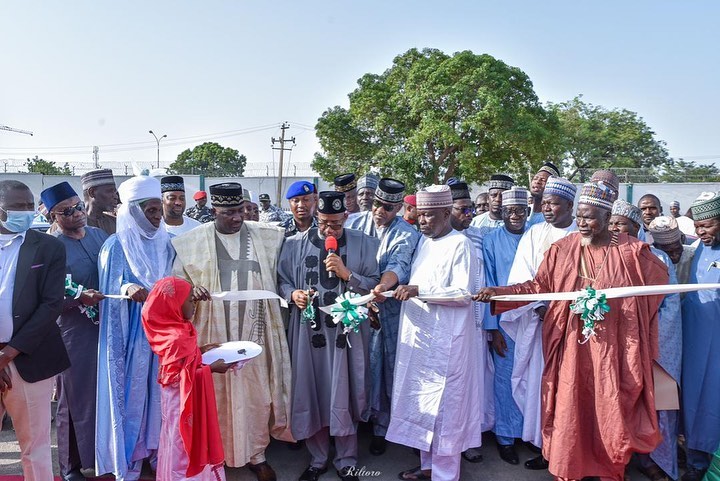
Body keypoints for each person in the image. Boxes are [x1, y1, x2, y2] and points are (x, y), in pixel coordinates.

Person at [475, 181, 669, 481]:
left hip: (612, 349)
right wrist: (499, 294)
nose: (582, 223)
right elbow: (537, 287)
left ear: (606, 219)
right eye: (579, 216)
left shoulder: (630, 252)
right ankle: (569, 468)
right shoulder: (562, 249)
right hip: (571, 346)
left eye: (590, 217)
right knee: (570, 402)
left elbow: (659, 281)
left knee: (609, 404)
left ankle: (609, 469)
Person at [172, 183, 292, 481]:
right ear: (214, 211)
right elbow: (176, 286)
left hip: (256, 329)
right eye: (229, 213)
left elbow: (284, 274)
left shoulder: (267, 237)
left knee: (255, 390)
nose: (237, 218)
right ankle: (216, 455)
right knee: (217, 393)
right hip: (213, 330)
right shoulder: (191, 243)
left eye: (240, 210)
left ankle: (256, 454)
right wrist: (190, 290)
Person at [278, 190, 380, 481]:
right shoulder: (294, 244)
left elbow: (374, 285)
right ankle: (318, 459)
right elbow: (283, 281)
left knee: (344, 393)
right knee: (312, 391)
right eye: (323, 223)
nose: (329, 230)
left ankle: (346, 460)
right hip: (309, 333)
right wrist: (293, 294)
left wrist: (348, 274)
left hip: (347, 335)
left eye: (335, 224)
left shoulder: (365, 243)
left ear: (346, 217)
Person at [389, 185, 482, 481]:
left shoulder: (460, 244)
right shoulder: (424, 242)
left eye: (430, 216)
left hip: (448, 342)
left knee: (446, 410)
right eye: (421, 216)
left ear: (446, 213)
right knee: (423, 404)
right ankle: (428, 466)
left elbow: (464, 292)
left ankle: (445, 474)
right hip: (421, 338)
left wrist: (420, 290)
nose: (423, 221)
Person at [96, 175, 175, 481]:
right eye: (150, 210)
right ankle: (128, 458)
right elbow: (109, 286)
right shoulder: (115, 244)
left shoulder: (166, 243)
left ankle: (158, 451)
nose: (156, 217)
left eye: (159, 210)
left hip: (162, 333)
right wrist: (127, 286)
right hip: (129, 335)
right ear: (133, 211)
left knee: (160, 394)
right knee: (130, 395)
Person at [503, 176, 578, 471]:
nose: (546, 208)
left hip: (572, 327)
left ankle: (568, 451)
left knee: (568, 388)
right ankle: (546, 448)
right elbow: (523, 277)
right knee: (538, 386)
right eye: (544, 202)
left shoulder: (581, 234)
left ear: (570, 205)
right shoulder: (534, 234)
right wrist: (539, 307)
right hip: (538, 324)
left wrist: (560, 309)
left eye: (554, 203)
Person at [0, 180, 70, 481]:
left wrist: (7, 354)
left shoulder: (49, 247)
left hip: (28, 358)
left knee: (36, 448)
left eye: (30, 206)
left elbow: (51, 305)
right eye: (19, 206)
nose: (27, 212)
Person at [609, 200, 682, 481]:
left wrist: (646, 338)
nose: (614, 228)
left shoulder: (657, 258)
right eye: (611, 223)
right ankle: (617, 458)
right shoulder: (601, 255)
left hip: (654, 345)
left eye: (621, 224)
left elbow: (670, 304)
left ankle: (655, 461)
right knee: (617, 401)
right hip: (617, 345)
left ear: (637, 228)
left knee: (658, 403)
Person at [141, 277, 239, 481]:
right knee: (184, 448)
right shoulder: (176, 338)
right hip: (182, 409)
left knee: (177, 444)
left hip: (179, 406)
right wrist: (210, 369)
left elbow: (183, 365)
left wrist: (200, 353)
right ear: (173, 304)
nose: (193, 305)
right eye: (189, 300)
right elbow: (175, 380)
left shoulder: (176, 330)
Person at [347, 178, 420, 455]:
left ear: (399, 208)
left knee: (382, 368)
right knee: (353, 366)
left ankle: (380, 427)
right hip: (352, 307)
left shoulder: (406, 233)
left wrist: (382, 286)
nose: (380, 211)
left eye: (388, 208)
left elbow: (397, 266)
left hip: (385, 311)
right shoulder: (355, 223)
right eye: (377, 204)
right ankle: (353, 421)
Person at [41, 182, 108, 481]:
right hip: (73, 330)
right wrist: (77, 298)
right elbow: (44, 295)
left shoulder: (100, 236)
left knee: (104, 395)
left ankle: (104, 455)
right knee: (73, 398)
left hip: (108, 326)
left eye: (78, 206)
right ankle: (70, 466)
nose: (76, 214)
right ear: (53, 216)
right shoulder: (49, 247)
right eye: (66, 211)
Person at [482, 187, 531, 466]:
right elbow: (489, 283)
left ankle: (528, 433)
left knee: (531, 376)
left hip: (531, 320)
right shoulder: (491, 241)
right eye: (509, 211)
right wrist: (494, 329)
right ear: (501, 213)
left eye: (520, 211)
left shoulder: (536, 238)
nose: (515, 216)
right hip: (503, 321)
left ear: (527, 212)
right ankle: (505, 437)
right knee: (504, 379)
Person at [448, 181, 494, 464]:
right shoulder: (431, 239)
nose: (469, 214)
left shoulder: (479, 236)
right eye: (463, 209)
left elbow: (488, 279)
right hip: (446, 326)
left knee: (474, 385)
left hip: (475, 325)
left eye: (471, 209)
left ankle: (470, 439)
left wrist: (489, 325)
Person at [680, 192, 720, 481]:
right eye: (698, 226)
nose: (700, 232)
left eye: (707, 225)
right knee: (693, 398)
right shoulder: (695, 250)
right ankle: (695, 462)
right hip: (693, 339)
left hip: (717, 342)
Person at [649, 216, 696, 285]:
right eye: (668, 252)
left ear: (682, 240)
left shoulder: (693, 255)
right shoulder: (649, 260)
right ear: (655, 247)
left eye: (678, 249)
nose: (675, 256)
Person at [470, 174, 514, 238]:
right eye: (494, 195)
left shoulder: (517, 225)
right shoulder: (474, 223)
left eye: (503, 196)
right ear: (488, 198)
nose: (497, 199)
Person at [81, 168, 118, 234]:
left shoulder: (116, 223)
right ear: (91, 192)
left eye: (115, 192)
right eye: (109, 191)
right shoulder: (76, 225)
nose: (116, 197)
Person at [528, 162, 561, 227]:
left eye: (543, 180)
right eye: (535, 178)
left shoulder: (552, 217)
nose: (537, 182)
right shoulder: (523, 211)